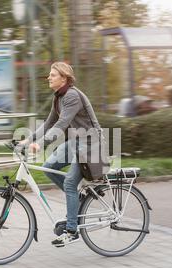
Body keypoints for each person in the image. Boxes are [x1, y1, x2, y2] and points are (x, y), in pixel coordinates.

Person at [20, 62, 105, 247]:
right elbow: (49, 123)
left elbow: (61, 125)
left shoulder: (72, 96)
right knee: (49, 168)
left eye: (52, 75)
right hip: (76, 142)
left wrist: (40, 144)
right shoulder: (58, 97)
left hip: (91, 144)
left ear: (64, 78)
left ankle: (72, 230)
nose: (48, 77)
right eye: (49, 75)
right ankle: (78, 197)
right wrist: (28, 140)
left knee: (69, 182)